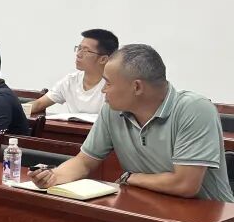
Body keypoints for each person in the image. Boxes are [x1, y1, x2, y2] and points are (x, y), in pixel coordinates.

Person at [31, 44, 233, 201]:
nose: (103, 90)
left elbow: (185, 184)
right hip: (149, 206)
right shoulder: (112, 111)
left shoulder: (194, 109)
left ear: (137, 87)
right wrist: (55, 176)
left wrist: (131, 178)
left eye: (108, 83)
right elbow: (84, 161)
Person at [27, 29, 119, 117]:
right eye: (79, 48)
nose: (78, 54)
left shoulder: (115, 86)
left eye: (85, 50)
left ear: (103, 59)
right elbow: (39, 104)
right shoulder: (70, 81)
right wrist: (18, 111)